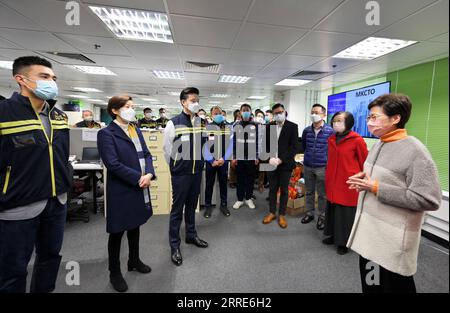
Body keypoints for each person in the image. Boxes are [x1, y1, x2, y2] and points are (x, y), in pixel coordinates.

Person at [346, 94, 441, 293]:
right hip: (370, 234)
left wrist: (376, 187)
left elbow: (428, 199)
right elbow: (383, 178)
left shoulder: (416, 152)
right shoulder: (380, 143)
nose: (369, 122)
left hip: (391, 240)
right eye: (368, 118)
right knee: (371, 284)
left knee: (392, 286)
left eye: (374, 117)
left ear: (395, 118)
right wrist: (365, 179)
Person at [0, 56, 71, 293]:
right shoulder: (4, 113)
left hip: (57, 201)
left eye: (53, 78)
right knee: (13, 268)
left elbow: (61, 155)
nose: (51, 82)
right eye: (44, 77)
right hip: (18, 204)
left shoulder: (58, 116)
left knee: (50, 258)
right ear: (21, 79)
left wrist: (66, 180)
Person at [97, 95, 156, 292]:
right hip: (123, 188)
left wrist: (149, 173)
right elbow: (112, 164)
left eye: (132, 106)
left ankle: (134, 260)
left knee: (135, 225)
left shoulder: (135, 129)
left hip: (140, 185)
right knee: (117, 232)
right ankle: (114, 272)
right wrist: (139, 178)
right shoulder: (106, 133)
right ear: (115, 110)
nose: (131, 109)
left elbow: (147, 153)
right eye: (127, 106)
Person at [163, 87, 208, 267]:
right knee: (177, 210)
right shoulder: (173, 123)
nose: (196, 103)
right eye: (192, 100)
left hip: (197, 172)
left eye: (197, 100)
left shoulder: (200, 122)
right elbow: (167, 150)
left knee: (191, 206)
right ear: (183, 102)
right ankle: (174, 246)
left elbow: (203, 145)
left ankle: (191, 235)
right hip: (181, 174)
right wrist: (176, 168)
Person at [322, 111, 368, 255]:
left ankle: (345, 242)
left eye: (340, 120)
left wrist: (361, 181)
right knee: (333, 209)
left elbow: (364, 162)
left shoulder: (357, 140)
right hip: (332, 181)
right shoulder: (331, 139)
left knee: (345, 214)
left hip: (348, 182)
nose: (336, 123)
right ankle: (334, 236)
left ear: (348, 123)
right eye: (334, 120)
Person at [261, 103, 300, 229]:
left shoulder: (292, 127)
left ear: (285, 112)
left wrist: (281, 159)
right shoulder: (269, 126)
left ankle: (282, 214)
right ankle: (272, 212)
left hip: (285, 164)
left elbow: (294, 147)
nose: (279, 114)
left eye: (280, 112)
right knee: (272, 189)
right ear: (273, 114)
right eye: (276, 113)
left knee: (284, 190)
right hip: (271, 163)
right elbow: (264, 145)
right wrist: (269, 158)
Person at [301, 104, 334, 229]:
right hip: (308, 165)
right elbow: (304, 146)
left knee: (322, 194)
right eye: (312, 112)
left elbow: (332, 150)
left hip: (322, 167)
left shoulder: (330, 131)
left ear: (324, 115)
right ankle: (309, 213)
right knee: (308, 191)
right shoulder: (306, 131)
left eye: (317, 112)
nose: (314, 115)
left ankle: (322, 216)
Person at [203, 106, 233, 218]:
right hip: (211, 162)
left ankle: (224, 205)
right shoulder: (207, 128)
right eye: (215, 113)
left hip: (223, 162)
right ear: (211, 115)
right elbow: (204, 145)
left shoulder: (228, 127)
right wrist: (211, 160)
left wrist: (224, 159)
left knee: (223, 184)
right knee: (209, 184)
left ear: (222, 114)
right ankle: (208, 207)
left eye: (219, 113)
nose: (217, 115)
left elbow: (231, 145)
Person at [231, 104, 259, 210]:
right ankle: (239, 199)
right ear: (240, 112)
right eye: (244, 110)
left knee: (250, 179)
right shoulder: (236, 125)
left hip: (251, 157)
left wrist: (257, 156)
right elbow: (233, 142)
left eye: (247, 110)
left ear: (251, 111)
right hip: (239, 156)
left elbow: (258, 142)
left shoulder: (255, 125)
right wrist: (234, 156)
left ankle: (248, 198)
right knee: (240, 179)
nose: (246, 112)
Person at [228, 109, 241, 189]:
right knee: (233, 166)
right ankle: (232, 181)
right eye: (238, 116)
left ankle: (238, 181)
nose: (239, 117)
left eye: (240, 116)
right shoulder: (232, 125)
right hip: (232, 147)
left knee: (239, 166)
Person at [254, 109, 267, 193]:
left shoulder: (266, 127)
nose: (260, 118)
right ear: (255, 117)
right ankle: (250, 186)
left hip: (263, 151)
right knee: (252, 169)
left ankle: (260, 185)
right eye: (258, 116)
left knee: (262, 170)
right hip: (253, 151)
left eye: (261, 116)